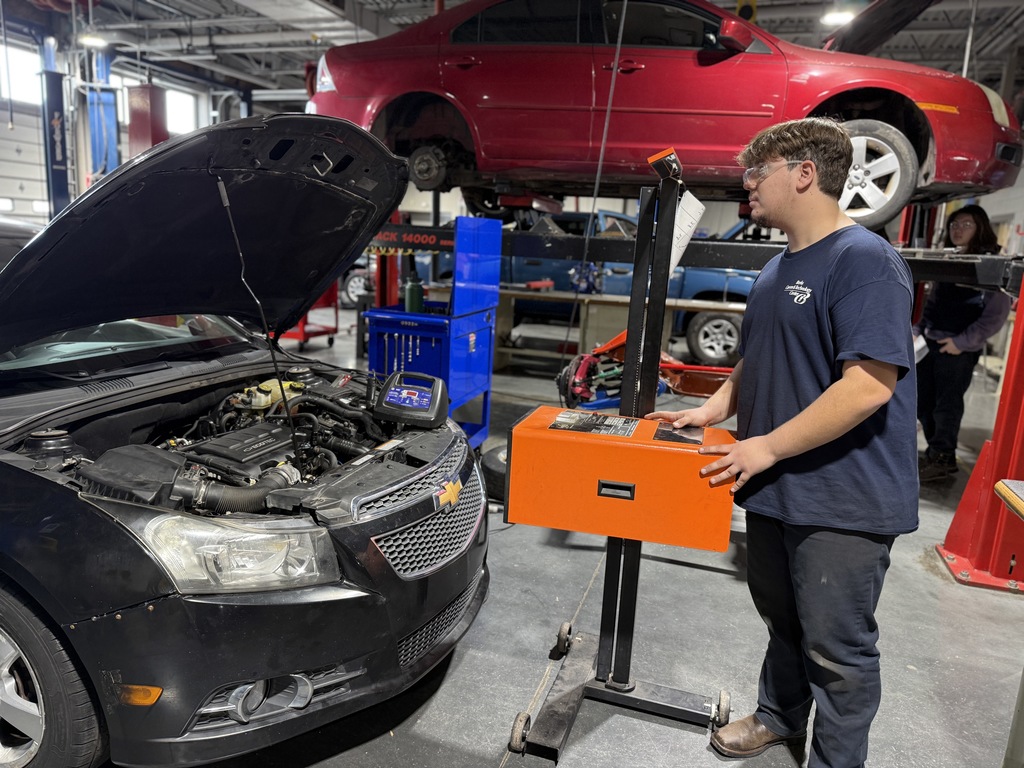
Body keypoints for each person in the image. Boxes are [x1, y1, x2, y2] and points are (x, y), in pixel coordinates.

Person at [646, 117, 918, 767]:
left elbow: (869, 387)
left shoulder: (866, 262)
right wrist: (713, 406)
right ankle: (779, 717)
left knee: (838, 649)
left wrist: (764, 446)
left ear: (804, 173)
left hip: (843, 498)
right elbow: (758, 359)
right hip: (777, 488)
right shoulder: (776, 268)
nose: (746, 185)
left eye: (757, 171)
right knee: (785, 622)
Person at [915, 204, 1011, 482]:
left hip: (958, 349)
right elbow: (932, 302)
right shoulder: (951, 259)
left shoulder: (990, 265)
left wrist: (961, 342)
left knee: (947, 407)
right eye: (954, 224)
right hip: (930, 343)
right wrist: (918, 329)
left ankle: (944, 459)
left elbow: (995, 316)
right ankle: (934, 452)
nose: (957, 229)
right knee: (924, 403)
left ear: (980, 228)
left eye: (965, 224)